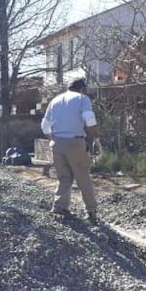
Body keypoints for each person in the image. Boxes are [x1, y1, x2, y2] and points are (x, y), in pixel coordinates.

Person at [40, 78, 100, 223]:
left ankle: (59, 207)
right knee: (82, 177)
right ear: (82, 89)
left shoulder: (55, 101)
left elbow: (44, 125)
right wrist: (96, 136)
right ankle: (91, 211)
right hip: (75, 142)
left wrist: (53, 139)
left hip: (57, 143)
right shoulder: (82, 99)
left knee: (64, 177)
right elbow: (89, 118)